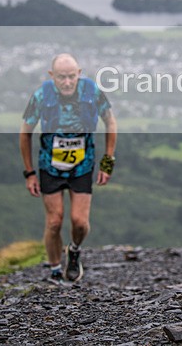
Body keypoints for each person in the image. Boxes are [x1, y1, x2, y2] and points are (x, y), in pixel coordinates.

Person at [19, 53, 117, 283]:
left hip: (82, 166)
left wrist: (107, 162)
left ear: (79, 74)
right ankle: (55, 271)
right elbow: (25, 133)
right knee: (54, 221)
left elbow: (110, 122)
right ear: (52, 76)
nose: (67, 82)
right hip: (49, 166)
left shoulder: (92, 92)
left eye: (71, 77)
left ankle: (74, 250)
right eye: (61, 77)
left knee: (79, 222)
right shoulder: (41, 96)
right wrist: (29, 172)